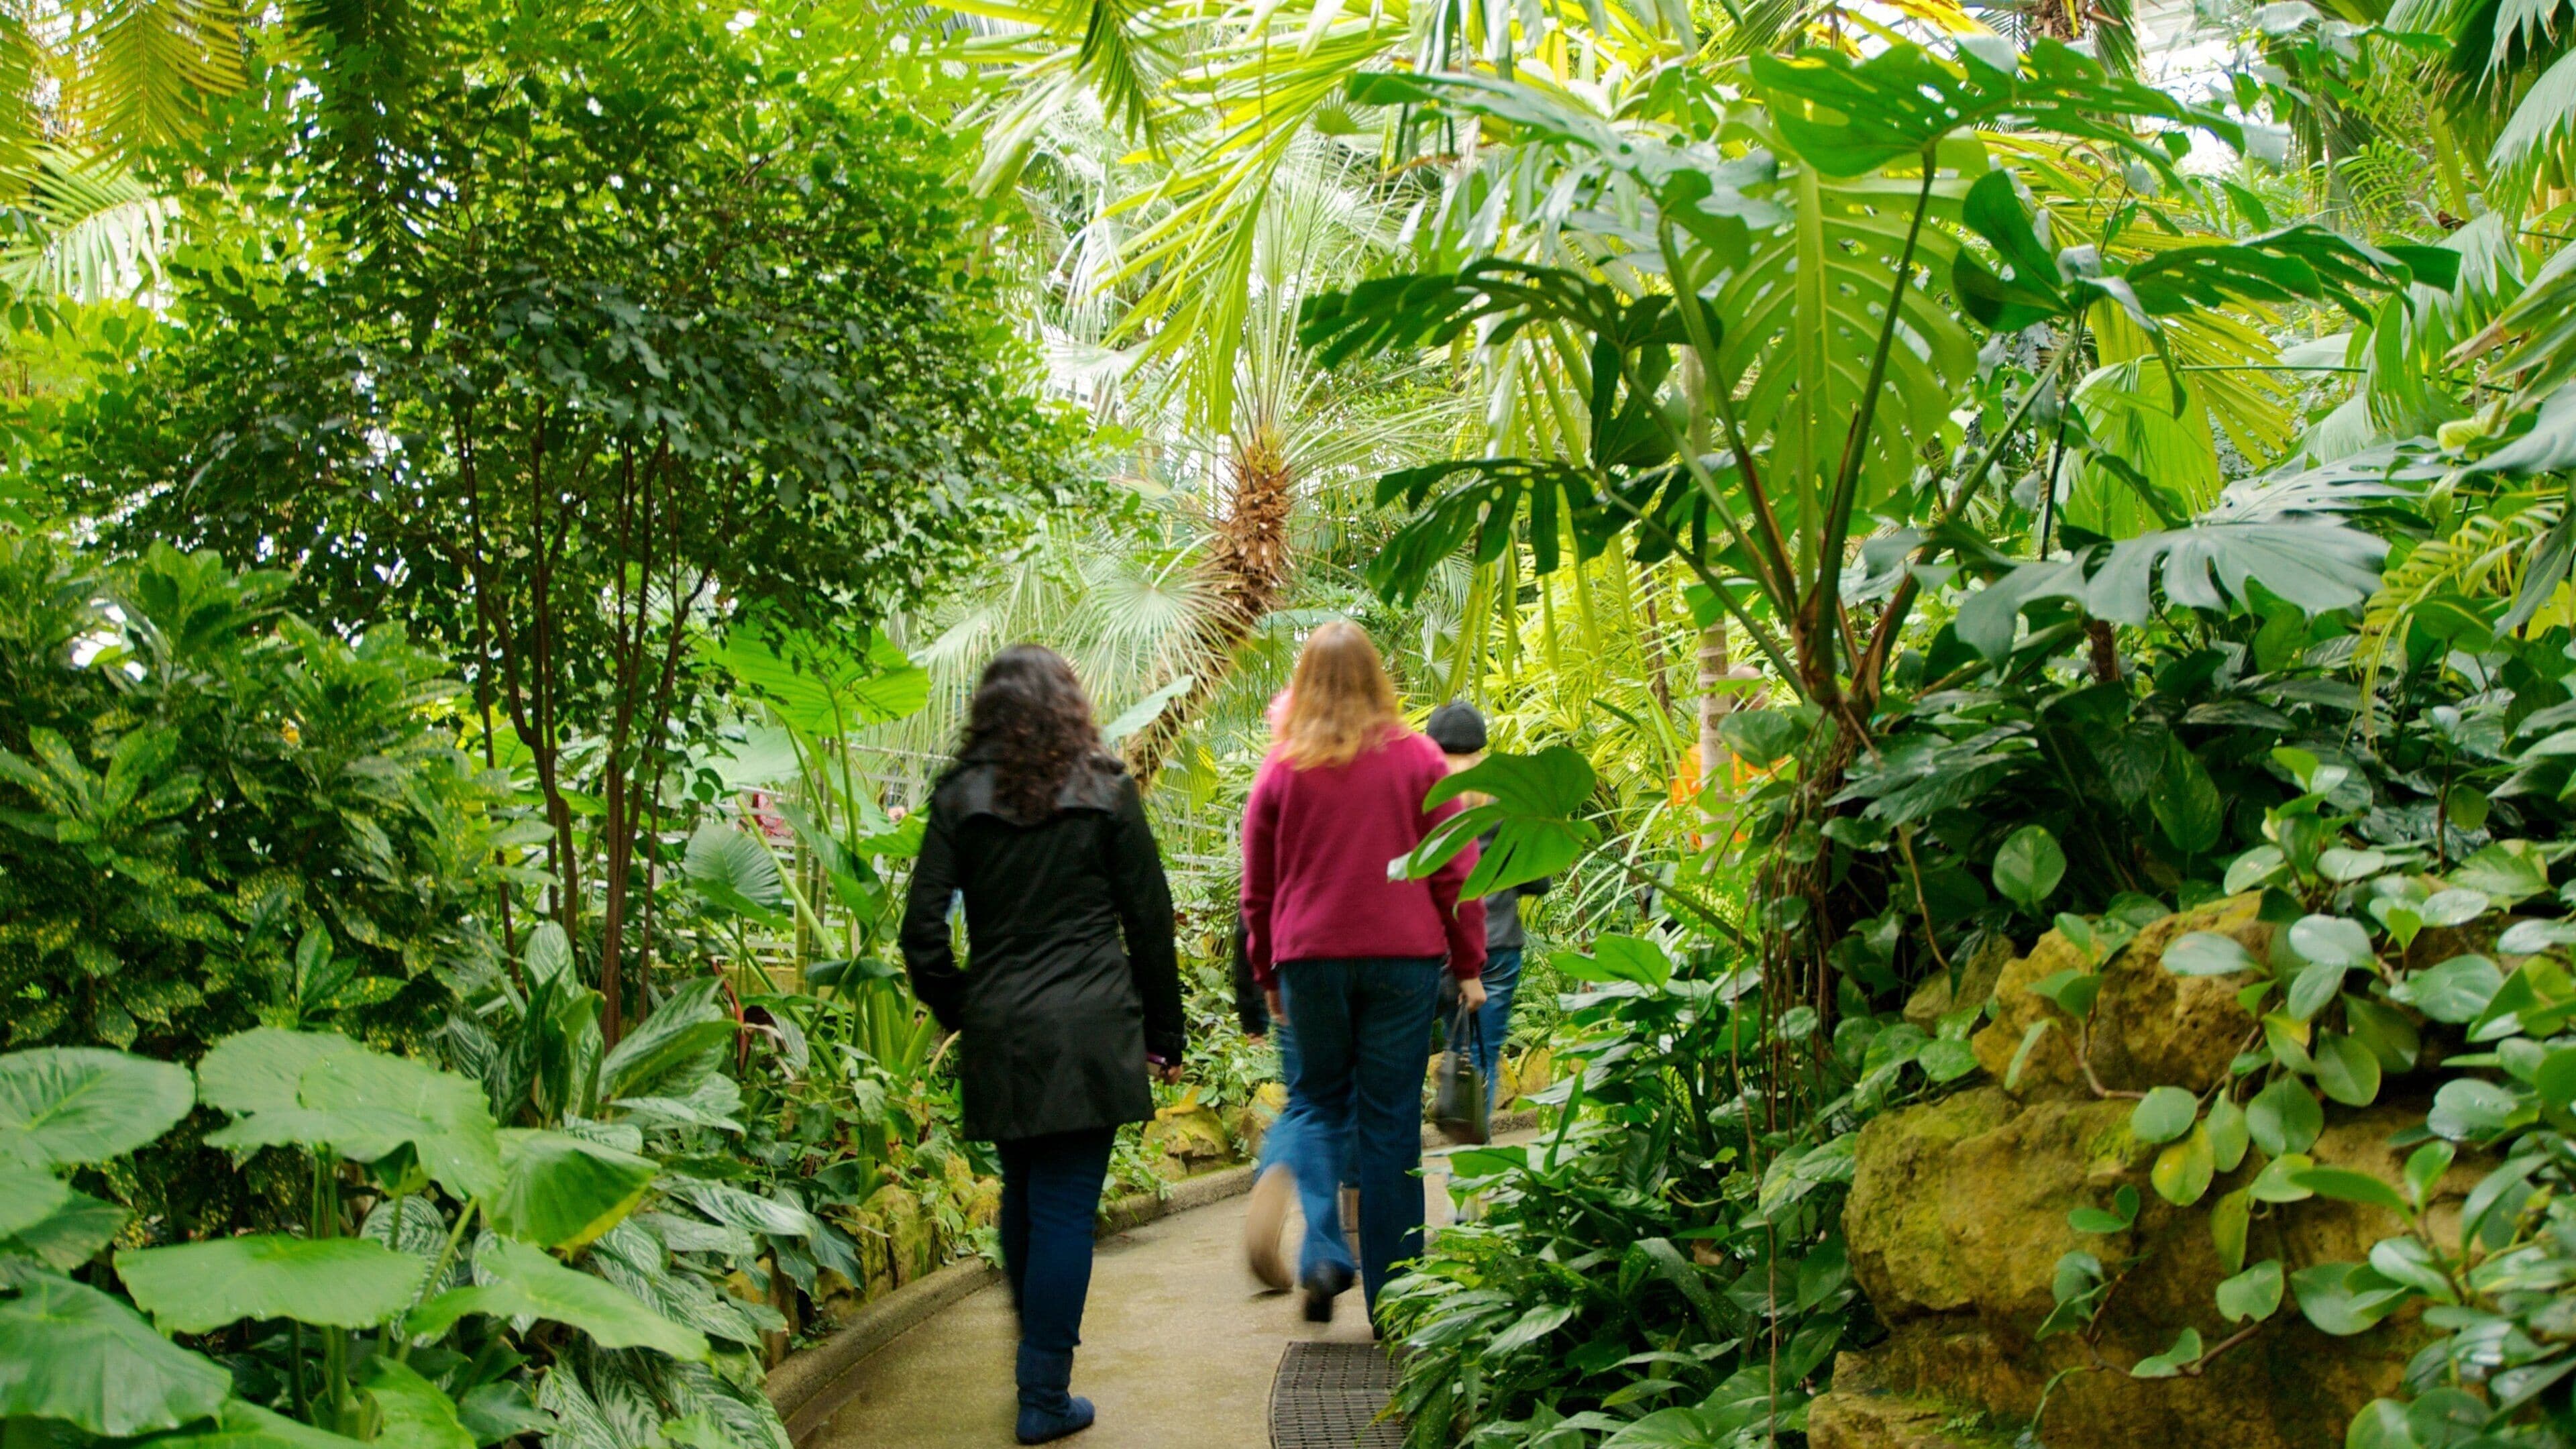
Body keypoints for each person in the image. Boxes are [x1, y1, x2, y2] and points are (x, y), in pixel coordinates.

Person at [901, 645, 1185, 1445]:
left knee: (1025, 1195)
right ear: (1070, 706)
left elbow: (921, 933)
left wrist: (968, 1008)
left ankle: (1038, 1372)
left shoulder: (961, 797)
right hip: (1092, 1028)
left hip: (1006, 1034)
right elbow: (1150, 921)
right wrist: (1164, 1033)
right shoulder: (1107, 790)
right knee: (1060, 1207)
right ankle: (1044, 1394)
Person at [1241, 622, 1485, 1326]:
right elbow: (1454, 867)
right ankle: (1398, 1303)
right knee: (1389, 1126)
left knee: (1317, 1102)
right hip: (1402, 962)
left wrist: (1267, 974)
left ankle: (1322, 1251)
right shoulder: (1418, 760)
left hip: (1310, 960)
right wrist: (1468, 965)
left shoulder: (1283, 767)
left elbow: (1257, 886)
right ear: (1379, 677)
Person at [1424, 701, 1551, 1113]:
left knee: (1421, 1052)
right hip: (1496, 944)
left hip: (1434, 945)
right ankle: (1473, 1159)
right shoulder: (1509, 797)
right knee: (1481, 1056)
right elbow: (1537, 877)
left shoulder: (1423, 797)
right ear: (1482, 746)